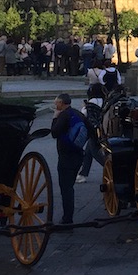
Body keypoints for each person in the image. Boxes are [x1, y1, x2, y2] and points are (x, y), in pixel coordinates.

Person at [50, 93, 87, 224]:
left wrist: (55, 118)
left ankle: (67, 218)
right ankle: (68, 216)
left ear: (62, 103)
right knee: (69, 186)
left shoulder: (63, 115)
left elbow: (54, 132)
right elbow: (91, 131)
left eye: (57, 103)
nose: (56, 105)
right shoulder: (79, 114)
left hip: (66, 156)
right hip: (78, 154)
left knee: (66, 189)